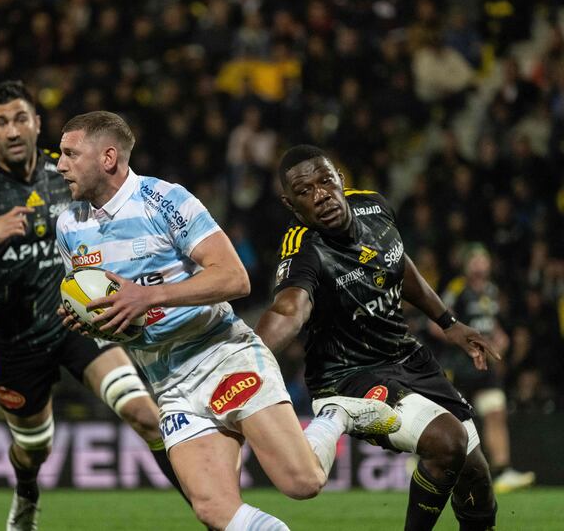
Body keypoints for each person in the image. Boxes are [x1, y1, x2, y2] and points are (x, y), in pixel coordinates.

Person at [55, 111, 400, 530]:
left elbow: (235, 278)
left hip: (221, 354)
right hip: (166, 380)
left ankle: (336, 415)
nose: (60, 164)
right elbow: (101, 299)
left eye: (70, 153)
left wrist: (147, 296)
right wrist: (86, 318)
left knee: (303, 482)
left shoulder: (164, 200)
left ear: (108, 157)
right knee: (214, 511)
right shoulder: (69, 226)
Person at [0, 81, 188, 531]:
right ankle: (27, 491)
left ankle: (212, 512)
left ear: (37, 124)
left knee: (147, 417)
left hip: (78, 324)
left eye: (21, 118)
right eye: (1, 122)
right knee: (34, 449)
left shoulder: (63, 169)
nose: (12, 130)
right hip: (14, 342)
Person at [254, 144, 499, 531]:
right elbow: (289, 309)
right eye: (305, 192)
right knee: (447, 441)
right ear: (290, 204)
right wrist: (243, 360)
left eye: (325, 181)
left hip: (405, 358)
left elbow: (398, 262)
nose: (320, 196)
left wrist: (448, 322)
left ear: (339, 178)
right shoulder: (303, 249)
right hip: (348, 376)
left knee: (476, 477)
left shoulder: (374, 206)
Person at [439, 245, 535, 493]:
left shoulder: (492, 291)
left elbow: (491, 325)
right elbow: (436, 325)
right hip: (460, 366)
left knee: (496, 412)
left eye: (484, 260)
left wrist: (500, 337)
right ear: (467, 265)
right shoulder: (456, 289)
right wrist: (466, 341)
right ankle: (427, 464)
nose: (481, 265)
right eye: (476, 260)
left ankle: (502, 471)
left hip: (484, 368)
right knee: (452, 421)